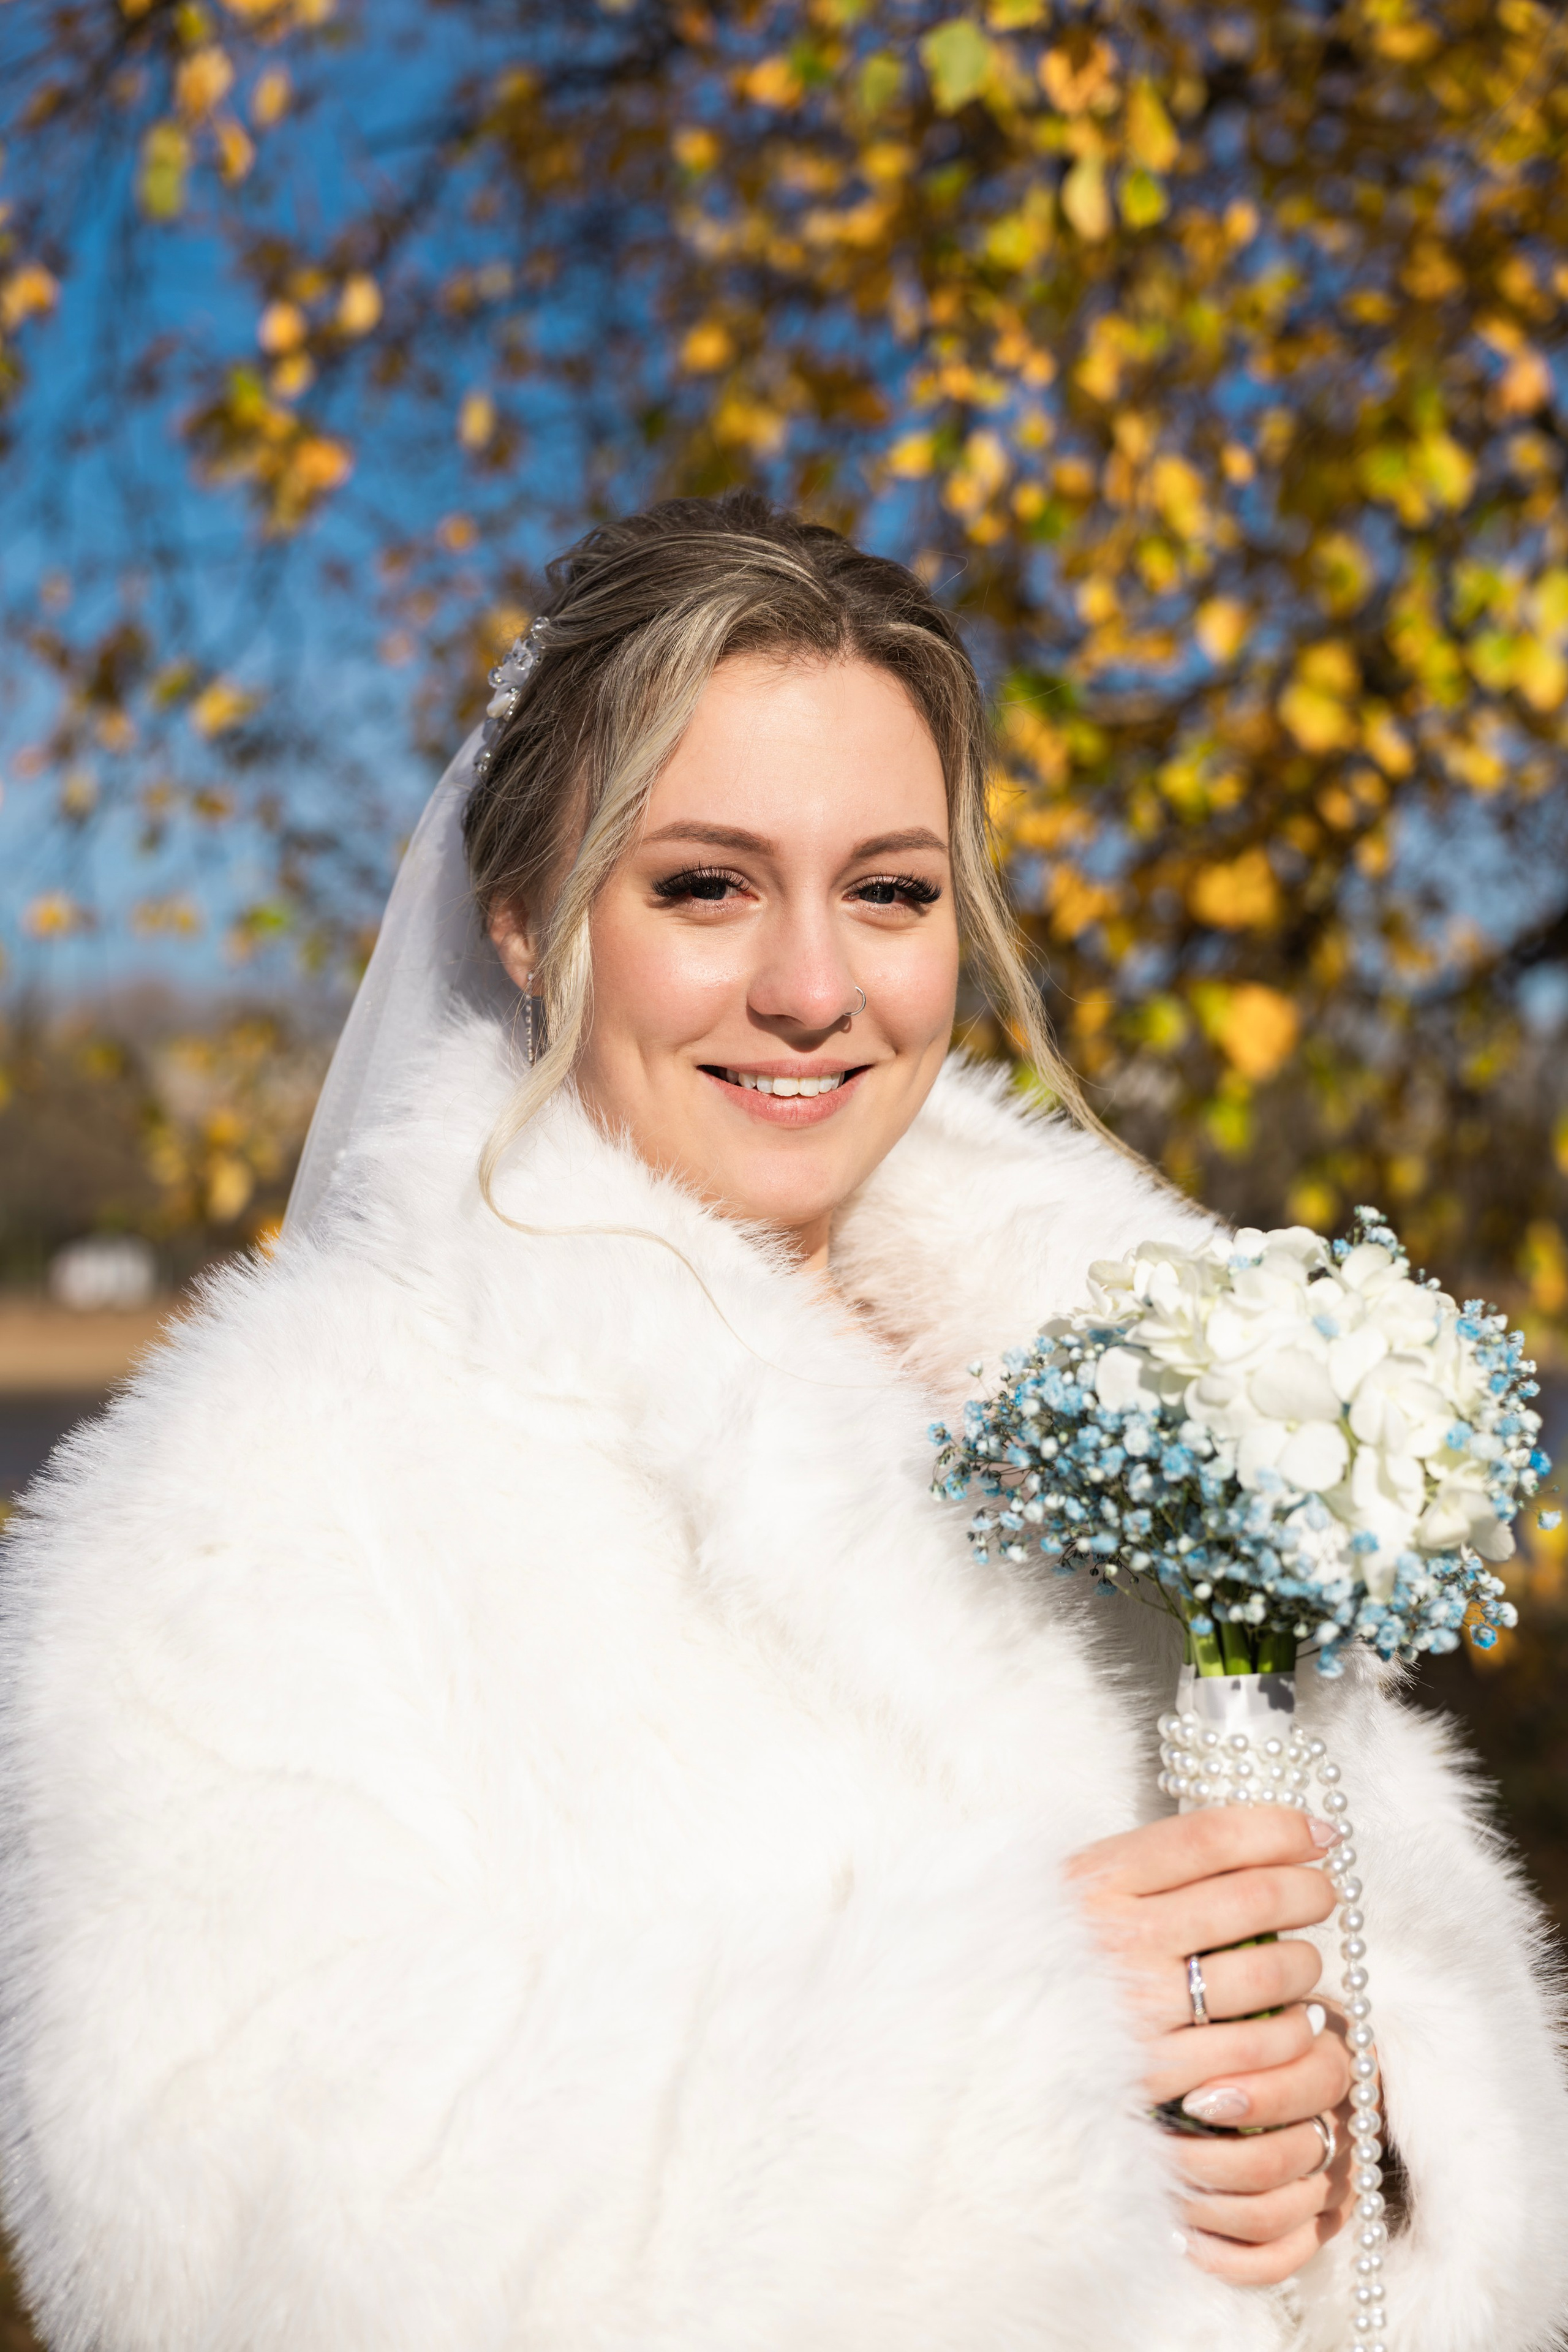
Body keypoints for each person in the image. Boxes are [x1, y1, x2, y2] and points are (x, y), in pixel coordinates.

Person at [1, 494, 1564, 2352]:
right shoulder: (272, 1488)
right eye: (705, 886)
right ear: (524, 921)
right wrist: (1012, 2050)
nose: (816, 989)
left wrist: (1357, 2165)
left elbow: (1412, 2014)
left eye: (890, 891)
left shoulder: (1159, 1383)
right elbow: (210, 2232)